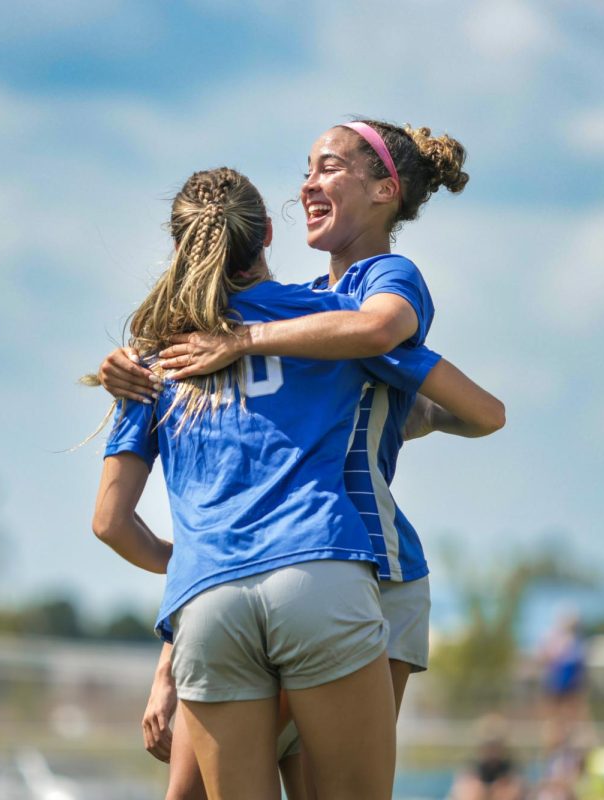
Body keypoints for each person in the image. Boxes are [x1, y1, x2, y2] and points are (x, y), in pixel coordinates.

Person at [92, 166, 504, 799]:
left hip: (206, 599)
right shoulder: (329, 320)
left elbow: (110, 523)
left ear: (179, 249)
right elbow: (478, 409)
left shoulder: (151, 359)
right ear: (265, 241)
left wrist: (196, 560)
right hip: (319, 573)